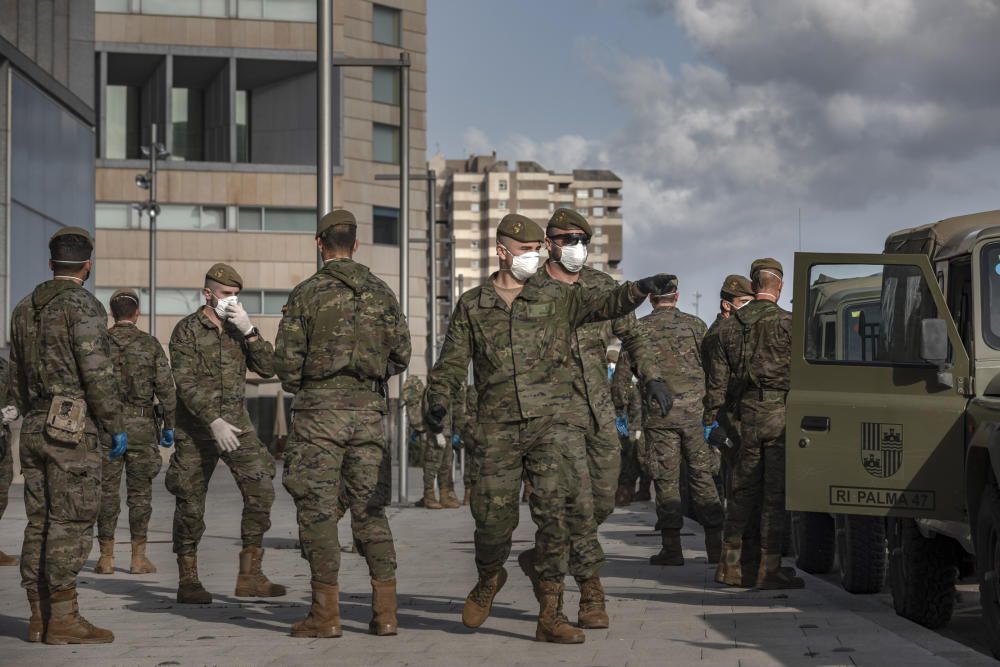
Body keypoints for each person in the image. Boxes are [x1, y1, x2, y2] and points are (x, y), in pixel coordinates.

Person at [425, 213, 673, 644]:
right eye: (527, 250)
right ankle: (489, 577)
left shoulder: (557, 296)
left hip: (555, 423)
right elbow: (451, 362)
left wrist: (639, 288)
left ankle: (552, 615)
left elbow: (606, 305)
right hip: (497, 428)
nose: (535, 256)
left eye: (539, 249)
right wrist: (438, 399)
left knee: (558, 518)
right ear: (502, 251)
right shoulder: (473, 305)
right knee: (491, 522)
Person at [520, 207, 663, 629]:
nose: (575, 246)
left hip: (598, 412)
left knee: (602, 498)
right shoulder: (530, 289)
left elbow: (633, 336)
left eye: (582, 239)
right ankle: (588, 594)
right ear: (548, 243)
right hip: (550, 416)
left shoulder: (602, 286)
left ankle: (549, 554)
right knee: (575, 507)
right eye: (566, 238)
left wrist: (652, 378)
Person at [275, 209, 410, 639]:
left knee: (317, 512)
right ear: (356, 244)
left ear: (320, 243)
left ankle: (325, 614)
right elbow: (401, 353)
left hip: (318, 414)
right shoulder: (382, 292)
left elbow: (287, 364)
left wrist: (312, 384)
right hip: (368, 414)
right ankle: (385, 612)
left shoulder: (306, 294)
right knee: (370, 512)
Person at [10, 226, 127, 644]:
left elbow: (17, 371)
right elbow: (97, 372)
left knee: (39, 521)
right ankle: (64, 618)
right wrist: (114, 423)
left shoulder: (24, 307)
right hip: (72, 427)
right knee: (72, 520)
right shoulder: (84, 305)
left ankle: (38, 616)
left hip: (34, 423)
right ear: (87, 265)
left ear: (51, 263)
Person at [166, 262, 285, 604]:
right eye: (225, 294)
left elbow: (267, 369)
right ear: (208, 294)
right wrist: (211, 419)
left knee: (261, 483)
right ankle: (188, 579)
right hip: (198, 428)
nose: (231, 301)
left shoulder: (237, 329)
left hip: (236, 425)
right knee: (190, 502)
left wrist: (250, 331)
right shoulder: (186, 330)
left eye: (235, 295)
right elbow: (184, 382)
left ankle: (250, 574)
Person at [705, 258, 803, 589]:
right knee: (774, 496)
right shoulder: (792, 324)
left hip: (743, 416)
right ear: (780, 286)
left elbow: (716, 386)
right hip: (780, 415)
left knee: (741, 491)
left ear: (753, 284)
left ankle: (729, 566)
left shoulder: (728, 328)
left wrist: (712, 423)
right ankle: (768, 568)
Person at [635, 278, 725, 566]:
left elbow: (624, 372)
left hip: (660, 416)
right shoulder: (696, 325)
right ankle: (715, 547)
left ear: (651, 299)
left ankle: (672, 549)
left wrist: (629, 417)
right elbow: (714, 368)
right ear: (677, 296)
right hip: (695, 416)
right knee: (702, 475)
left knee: (666, 479)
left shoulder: (640, 328)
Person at [94, 288, 176, 576]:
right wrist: (170, 424)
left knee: (107, 495)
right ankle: (138, 557)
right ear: (137, 313)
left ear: (112, 313)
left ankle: (106, 558)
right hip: (142, 428)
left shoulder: (99, 343)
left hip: (107, 427)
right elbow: (166, 388)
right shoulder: (150, 344)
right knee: (140, 495)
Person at [702, 274, 758, 582]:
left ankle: (736, 564)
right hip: (730, 421)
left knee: (743, 490)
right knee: (739, 492)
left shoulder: (734, 330)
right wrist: (712, 422)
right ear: (727, 305)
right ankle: (732, 566)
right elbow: (717, 385)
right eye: (743, 303)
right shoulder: (720, 334)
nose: (748, 308)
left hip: (737, 419)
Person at [402, 375, 439, 509]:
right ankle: (429, 497)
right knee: (430, 463)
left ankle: (431, 496)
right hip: (430, 429)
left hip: (427, 428)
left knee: (432, 463)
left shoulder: (428, 389)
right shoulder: (431, 390)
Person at [0, 356, 19, 566]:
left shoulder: (4, 366)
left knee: (1, 493)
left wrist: (13, 410)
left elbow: (15, 396)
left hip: (1, 441)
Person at [460, 383, 478, 505]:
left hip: (470, 424)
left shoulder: (469, 388)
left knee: (469, 459)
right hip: (480, 424)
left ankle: (468, 492)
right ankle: (470, 492)